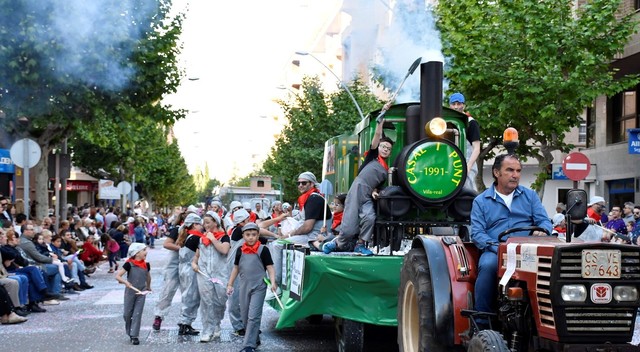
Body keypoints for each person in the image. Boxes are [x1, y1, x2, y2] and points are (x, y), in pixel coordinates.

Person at [470, 154, 551, 327]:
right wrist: (498, 247)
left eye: (518, 171)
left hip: (527, 250)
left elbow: (544, 222)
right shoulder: (480, 201)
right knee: (488, 266)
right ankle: (481, 320)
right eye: (510, 170)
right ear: (496, 172)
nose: (515, 175)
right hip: (496, 250)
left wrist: (543, 231)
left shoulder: (530, 196)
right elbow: (477, 234)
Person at [325, 116, 390, 256]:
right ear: (378, 147)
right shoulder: (372, 157)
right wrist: (381, 122)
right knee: (349, 227)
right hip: (356, 191)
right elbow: (377, 135)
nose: (385, 149)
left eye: (388, 149)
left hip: (366, 195)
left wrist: (375, 191)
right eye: (383, 146)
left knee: (370, 217)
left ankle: (360, 244)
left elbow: (377, 185)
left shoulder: (386, 169)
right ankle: (336, 243)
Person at [226, 223, 277, 352]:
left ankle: (248, 345)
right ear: (243, 236)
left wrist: (273, 282)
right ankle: (254, 337)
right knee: (244, 315)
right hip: (244, 286)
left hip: (259, 286)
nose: (251, 238)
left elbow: (270, 267)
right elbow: (236, 268)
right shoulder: (240, 250)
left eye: (254, 235)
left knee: (254, 315)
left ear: (258, 235)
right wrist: (230, 284)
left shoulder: (263, 250)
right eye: (248, 235)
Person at [191, 211, 230, 342]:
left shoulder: (224, 237)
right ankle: (207, 330)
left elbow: (224, 250)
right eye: (204, 223)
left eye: (208, 222)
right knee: (206, 301)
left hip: (220, 274)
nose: (205, 225)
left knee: (220, 301)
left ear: (215, 222)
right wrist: (194, 263)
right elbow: (197, 255)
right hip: (204, 274)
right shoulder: (201, 239)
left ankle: (217, 323)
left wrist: (213, 239)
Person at [152, 211, 186, 331]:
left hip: (187, 266)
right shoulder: (177, 230)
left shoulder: (198, 231)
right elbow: (167, 244)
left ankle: (185, 322)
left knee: (188, 294)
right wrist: (182, 249)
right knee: (167, 291)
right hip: (174, 265)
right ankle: (159, 316)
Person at [115, 243, 151, 345]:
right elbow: (118, 276)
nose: (146, 252)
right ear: (137, 253)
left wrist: (148, 286)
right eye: (144, 250)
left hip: (141, 292)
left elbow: (148, 277)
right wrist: (125, 282)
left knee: (137, 314)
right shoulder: (129, 264)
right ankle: (130, 332)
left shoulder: (146, 264)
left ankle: (135, 335)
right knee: (127, 314)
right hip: (130, 292)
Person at [175, 213, 203, 336]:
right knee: (191, 297)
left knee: (188, 296)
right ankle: (185, 323)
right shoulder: (195, 238)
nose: (202, 226)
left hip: (185, 269)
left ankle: (185, 323)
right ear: (194, 224)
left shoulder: (188, 236)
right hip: (190, 270)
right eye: (200, 223)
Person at [449, 92, 481, 191]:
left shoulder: (471, 122)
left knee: (467, 191)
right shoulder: (446, 122)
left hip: (467, 162)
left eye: (459, 104)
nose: (456, 107)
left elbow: (476, 148)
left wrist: (469, 166)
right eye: (453, 104)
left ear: (464, 105)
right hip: (450, 164)